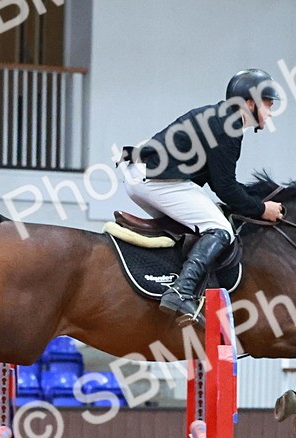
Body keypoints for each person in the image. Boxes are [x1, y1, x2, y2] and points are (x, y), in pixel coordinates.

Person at [120, 68, 286, 325]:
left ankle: (170, 281)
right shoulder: (229, 128)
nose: (271, 112)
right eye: (268, 104)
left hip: (143, 175)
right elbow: (225, 188)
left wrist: (254, 200)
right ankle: (181, 292)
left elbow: (219, 181)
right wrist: (262, 210)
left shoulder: (222, 118)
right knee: (221, 229)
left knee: (195, 226)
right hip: (155, 179)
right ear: (250, 103)